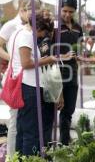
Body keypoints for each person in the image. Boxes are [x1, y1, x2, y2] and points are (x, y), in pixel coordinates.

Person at [8, 12, 67, 156]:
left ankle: (21, 157)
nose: (42, 36)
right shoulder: (27, 36)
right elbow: (26, 63)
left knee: (24, 129)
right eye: (43, 32)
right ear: (38, 27)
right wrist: (50, 59)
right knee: (31, 131)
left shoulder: (20, 33)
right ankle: (28, 158)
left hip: (28, 86)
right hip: (30, 88)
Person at [0, 0, 41, 158]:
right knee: (15, 122)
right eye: (32, 10)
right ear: (23, 10)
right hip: (15, 79)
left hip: (22, 78)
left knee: (21, 122)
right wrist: (12, 57)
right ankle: (11, 156)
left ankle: (17, 155)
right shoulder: (11, 25)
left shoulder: (31, 27)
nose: (34, 14)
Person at [55, 0, 83, 145]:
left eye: (71, 11)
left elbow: (79, 46)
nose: (67, 14)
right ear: (60, 9)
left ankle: (64, 142)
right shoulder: (54, 26)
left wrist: (80, 56)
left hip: (72, 73)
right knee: (52, 109)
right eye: (65, 11)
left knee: (68, 110)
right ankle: (47, 144)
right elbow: (47, 53)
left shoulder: (78, 27)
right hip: (56, 73)